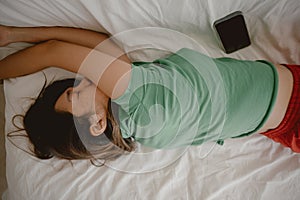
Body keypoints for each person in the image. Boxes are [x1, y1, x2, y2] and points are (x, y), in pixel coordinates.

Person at [0, 25, 299, 163]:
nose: (81, 81)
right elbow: (54, 52)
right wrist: (15, 34)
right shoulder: (137, 95)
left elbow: (102, 43)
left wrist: (16, 36)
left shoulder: (134, 121)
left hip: (277, 126)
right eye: (73, 94)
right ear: (97, 124)